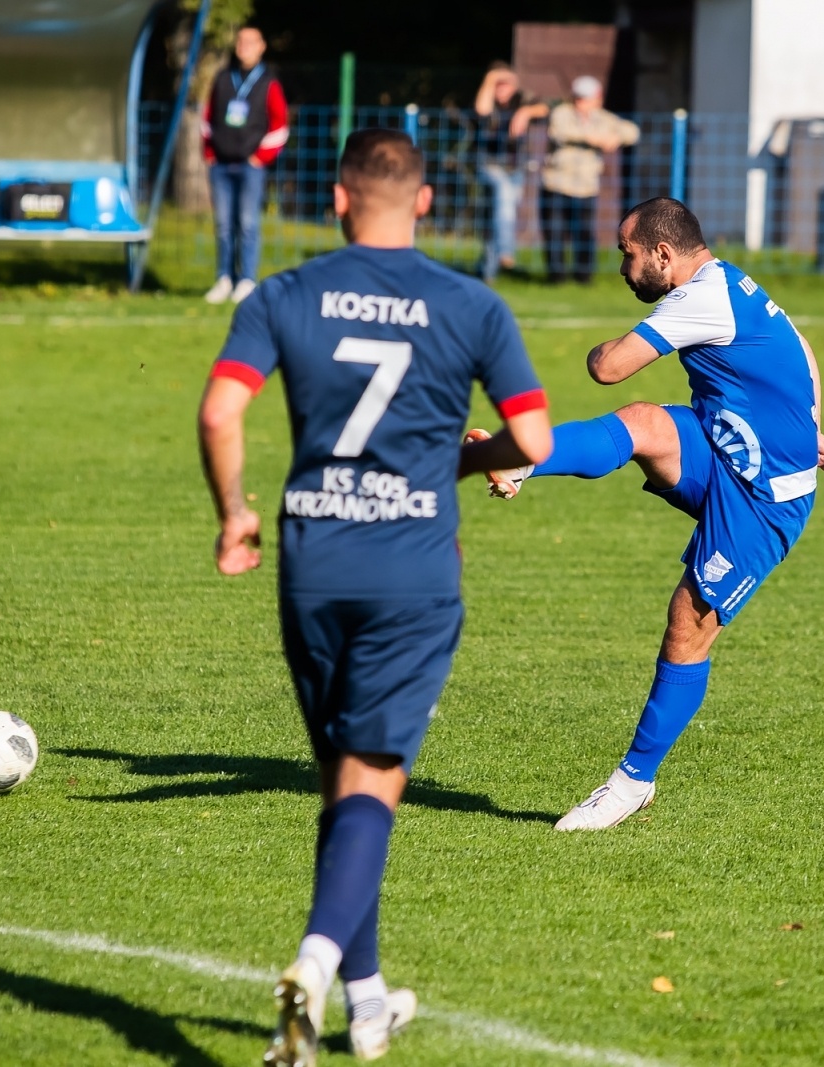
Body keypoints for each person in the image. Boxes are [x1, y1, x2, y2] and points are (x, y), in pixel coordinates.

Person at [199, 128, 552, 1064]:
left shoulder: (283, 293)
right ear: (426, 202)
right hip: (412, 574)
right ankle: (313, 967)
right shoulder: (473, 306)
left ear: (340, 200)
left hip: (312, 564)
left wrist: (235, 513)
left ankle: (365, 1002)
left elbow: (219, 409)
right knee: (375, 785)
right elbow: (537, 437)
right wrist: (473, 457)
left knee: (342, 784)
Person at [470, 198, 824, 831]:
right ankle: (520, 462)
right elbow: (798, 345)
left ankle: (631, 782)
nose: (623, 267)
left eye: (628, 254)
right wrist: (810, 424)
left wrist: (804, 435)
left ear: (663, 254)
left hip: (763, 500)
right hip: (724, 450)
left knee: (689, 622)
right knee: (644, 423)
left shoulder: (697, 299)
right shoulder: (730, 281)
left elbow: (606, 368)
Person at [200, 24, 288, 306]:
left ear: (261, 47)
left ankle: (247, 280)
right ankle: (224, 278)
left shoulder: (268, 83)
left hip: (251, 166)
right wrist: (210, 152)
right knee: (224, 225)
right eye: (240, 42)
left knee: (247, 224)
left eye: (250, 42)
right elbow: (207, 118)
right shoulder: (224, 78)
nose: (244, 47)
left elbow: (280, 125)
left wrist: (260, 157)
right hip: (221, 165)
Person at [539, 75, 639, 284]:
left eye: (586, 98)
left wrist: (617, 137)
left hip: (586, 187)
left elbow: (632, 131)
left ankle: (584, 277)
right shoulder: (561, 113)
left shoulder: (603, 118)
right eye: (579, 98)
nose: (582, 103)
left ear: (597, 98)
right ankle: (556, 278)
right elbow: (560, 132)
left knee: (584, 233)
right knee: (554, 232)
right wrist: (592, 138)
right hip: (556, 183)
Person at [473, 63, 547, 282]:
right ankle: (506, 252)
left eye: (507, 84)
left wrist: (525, 112)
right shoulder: (486, 99)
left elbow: (544, 108)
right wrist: (490, 79)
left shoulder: (523, 99)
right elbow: (481, 110)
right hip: (490, 166)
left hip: (516, 168)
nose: (503, 89)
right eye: (498, 84)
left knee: (496, 217)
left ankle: (487, 271)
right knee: (504, 204)